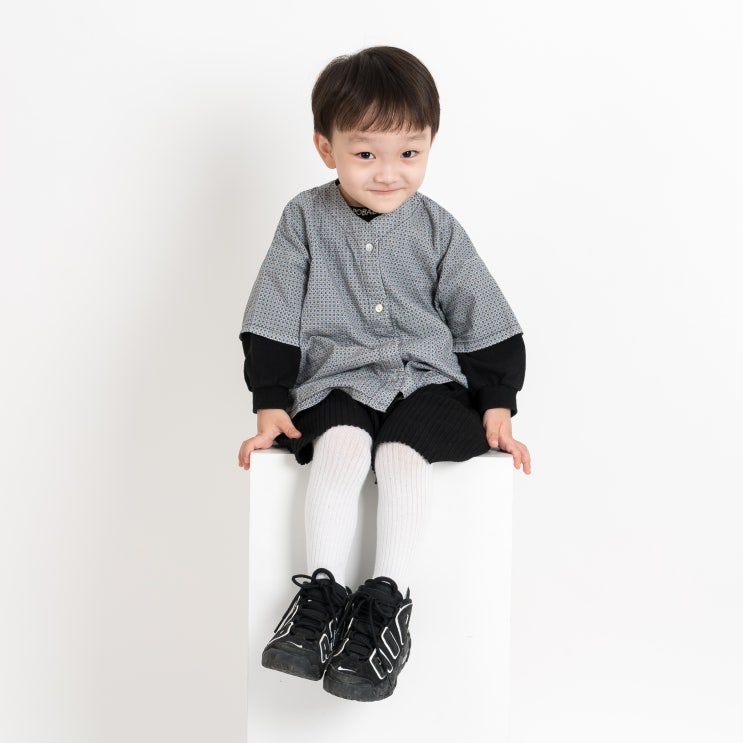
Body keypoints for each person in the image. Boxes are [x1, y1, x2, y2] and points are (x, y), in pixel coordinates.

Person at [237, 45, 531, 703]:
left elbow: (479, 308)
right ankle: (319, 598)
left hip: (426, 381)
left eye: (409, 153)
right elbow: (274, 305)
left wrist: (496, 400)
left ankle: (385, 605)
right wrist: (270, 398)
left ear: (429, 146)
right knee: (340, 449)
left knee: (400, 453)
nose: (388, 172)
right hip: (336, 379)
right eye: (366, 153)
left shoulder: (437, 228)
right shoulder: (304, 218)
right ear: (327, 148)